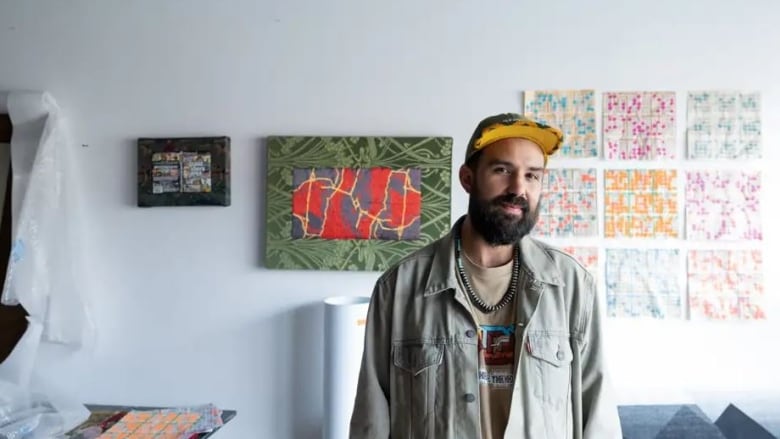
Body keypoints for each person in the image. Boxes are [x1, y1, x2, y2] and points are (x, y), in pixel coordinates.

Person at [348, 113, 622, 439]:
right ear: (467, 178)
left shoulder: (572, 286)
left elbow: (597, 414)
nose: (519, 188)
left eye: (532, 175)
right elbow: (372, 415)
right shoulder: (400, 287)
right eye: (502, 170)